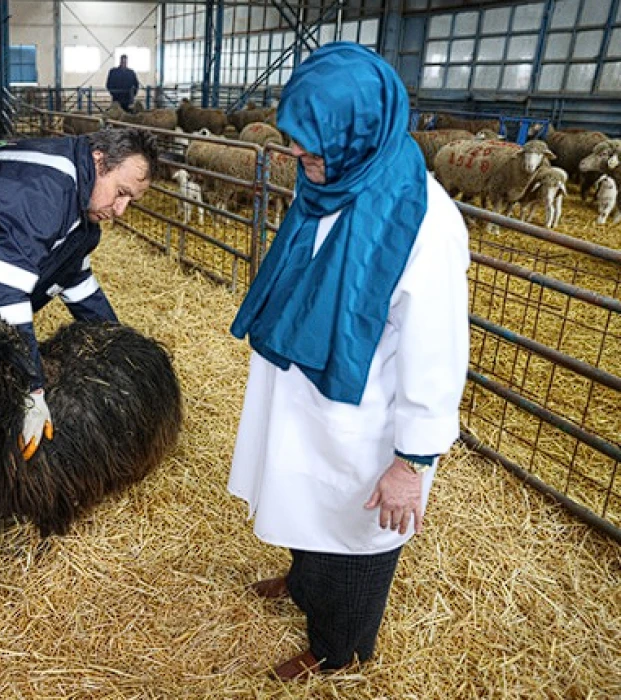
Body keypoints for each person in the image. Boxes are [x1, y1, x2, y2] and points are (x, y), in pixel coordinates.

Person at [227, 42, 469, 680]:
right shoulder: (330, 184)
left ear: (359, 131)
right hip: (307, 399)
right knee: (306, 505)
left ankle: (339, 650)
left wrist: (412, 463)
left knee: (355, 536)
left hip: (363, 426)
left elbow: (437, 355)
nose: (301, 158)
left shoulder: (425, 225)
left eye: (315, 145)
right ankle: (307, 584)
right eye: (297, 141)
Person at [0, 127, 158, 458]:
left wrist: (121, 346)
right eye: (120, 192)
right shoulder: (44, 189)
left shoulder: (81, 213)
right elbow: (3, 296)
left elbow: (74, 278)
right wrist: (32, 389)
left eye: (130, 201)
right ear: (99, 162)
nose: (120, 210)